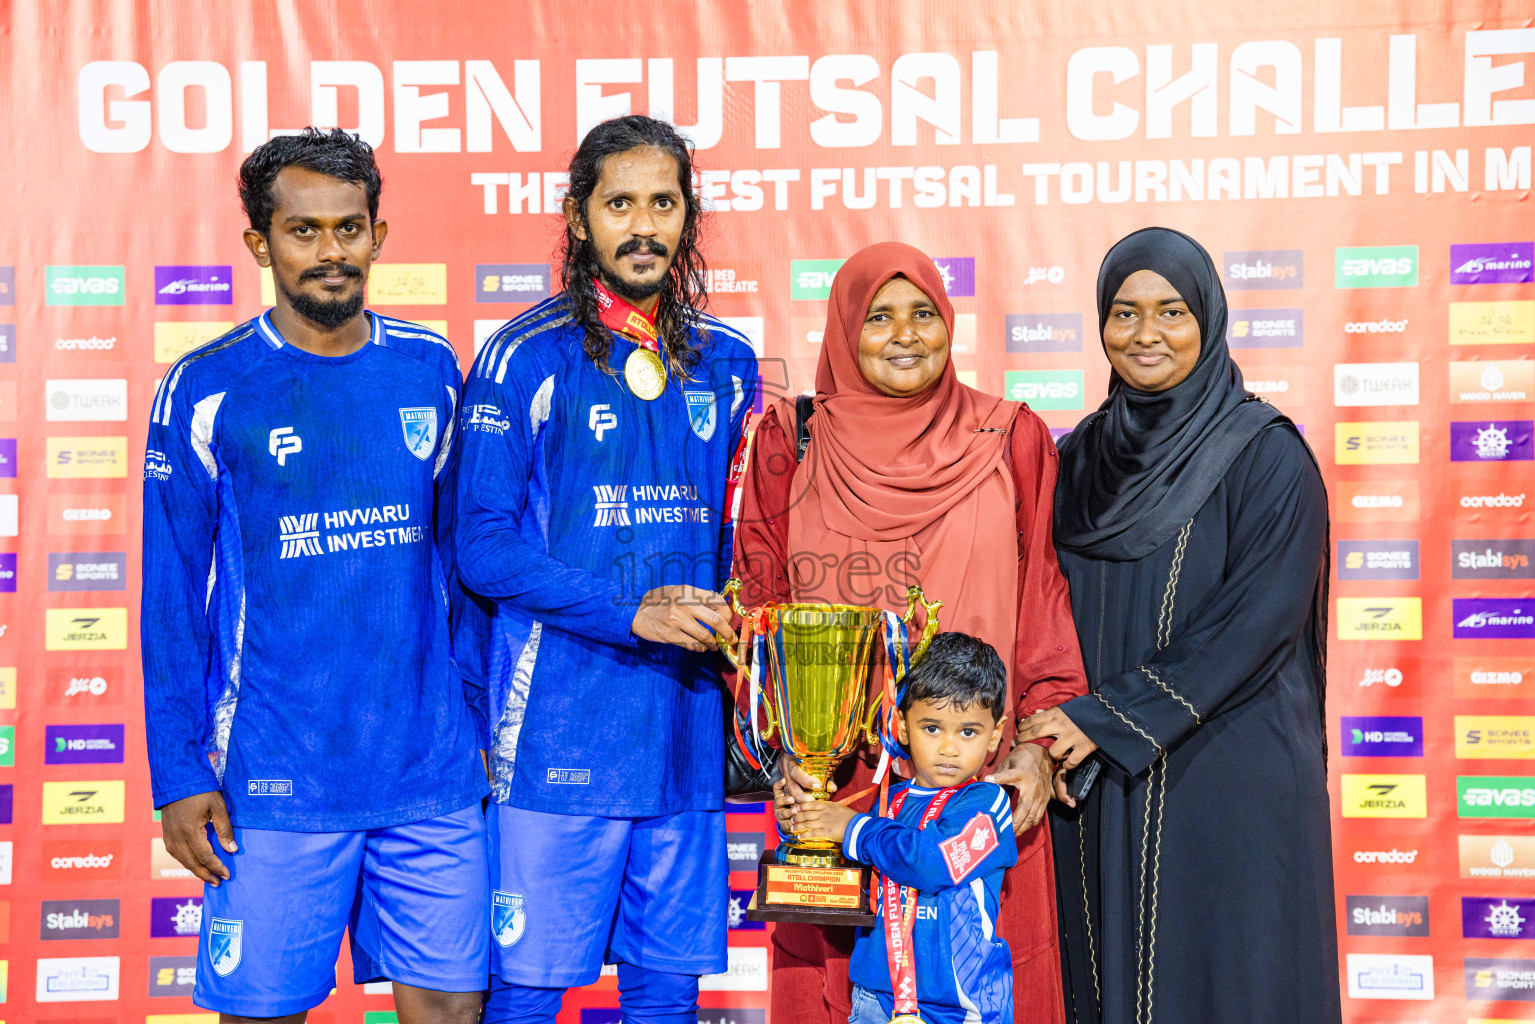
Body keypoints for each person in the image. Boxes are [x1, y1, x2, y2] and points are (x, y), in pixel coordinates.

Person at [141, 128, 488, 1023]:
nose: (330, 252)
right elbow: (171, 600)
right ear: (260, 243)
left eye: (349, 228)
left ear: (378, 234)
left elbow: (465, 568)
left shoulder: (430, 371)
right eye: (303, 231)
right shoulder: (209, 386)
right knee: (264, 1017)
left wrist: (481, 715)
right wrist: (179, 774)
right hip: (274, 773)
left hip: (430, 769)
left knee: (451, 1012)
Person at [455, 114, 759, 1024]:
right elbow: (481, 544)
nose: (642, 224)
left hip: (684, 732)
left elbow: (748, 543)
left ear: (687, 217)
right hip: (556, 730)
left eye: (661, 202)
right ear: (578, 217)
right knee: (528, 994)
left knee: (665, 994)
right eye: (618, 202)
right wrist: (631, 612)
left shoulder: (729, 363)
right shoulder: (525, 355)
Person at [736, 241, 1087, 1024]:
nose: (904, 334)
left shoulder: (1010, 436)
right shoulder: (790, 440)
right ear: (843, 332)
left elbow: (1042, 602)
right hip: (835, 788)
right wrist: (790, 756)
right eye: (878, 317)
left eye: (922, 313)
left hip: (974, 781)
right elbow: (759, 601)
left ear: (948, 323)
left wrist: (1032, 746)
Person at [1017, 227, 1339, 1024]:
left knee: (1222, 982)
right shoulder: (1080, 455)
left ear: (1207, 317)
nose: (1145, 334)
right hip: (1098, 773)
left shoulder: (1266, 455)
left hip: (1220, 767)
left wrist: (1103, 718)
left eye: (1170, 311)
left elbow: (1255, 624)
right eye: (1123, 313)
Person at [792, 633, 1020, 1024]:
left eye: (968, 732)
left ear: (995, 734)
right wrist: (806, 826)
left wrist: (852, 830)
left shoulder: (988, 805)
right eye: (932, 728)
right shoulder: (887, 802)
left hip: (960, 1010)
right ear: (901, 724)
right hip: (874, 1002)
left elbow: (931, 863)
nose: (949, 747)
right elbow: (848, 884)